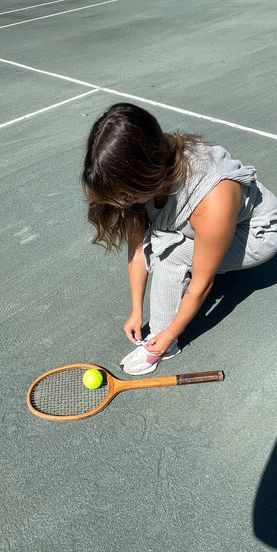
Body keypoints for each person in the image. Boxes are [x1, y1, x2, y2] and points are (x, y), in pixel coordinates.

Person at [82, 103, 277, 375]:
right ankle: (207, 258)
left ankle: (166, 346)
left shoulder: (214, 196)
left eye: (126, 195)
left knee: (170, 251)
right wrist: (136, 311)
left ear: (146, 172)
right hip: (214, 225)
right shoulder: (145, 176)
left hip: (257, 234)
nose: (122, 203)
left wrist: (167, 334)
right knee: (159, 239)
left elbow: (201, 283)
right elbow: (138, 247)